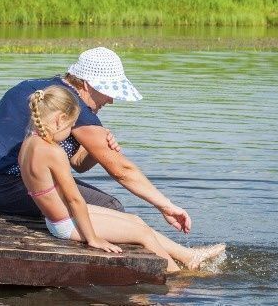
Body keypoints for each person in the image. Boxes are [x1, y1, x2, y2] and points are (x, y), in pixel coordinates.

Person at [0, 47, 193, 234]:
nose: (111, 99)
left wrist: (95, 151)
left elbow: (78, 163)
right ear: (87, 84)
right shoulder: (73, 108)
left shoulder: (45, 90)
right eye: (108, 90)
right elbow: (122, 170)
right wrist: (166, 206)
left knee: (104, 208)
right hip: (6, 189)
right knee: (111, 207)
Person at [18, 85, 224, 272]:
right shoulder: (53, 152)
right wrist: (93, 238)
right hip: (66, 223)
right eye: (71, 125)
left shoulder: (28, 143)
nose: (71, 131)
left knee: (136, 221)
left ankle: (189, 257)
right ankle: (179, 280)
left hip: (60, 217)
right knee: (142, 234)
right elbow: (74, 199)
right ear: (60, 119)